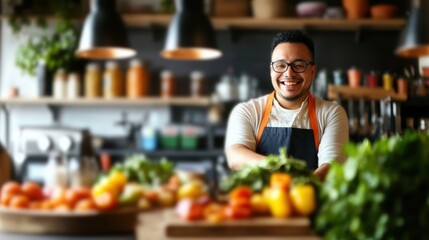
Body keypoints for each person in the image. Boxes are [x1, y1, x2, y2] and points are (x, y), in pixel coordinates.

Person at [224, 30, 349, 180]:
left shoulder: (331, 113)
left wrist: (300, 188)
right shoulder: (248, 111)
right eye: (281, 65)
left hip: (309, 200)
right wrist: (283, 167)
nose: (289, 73)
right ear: (271, 70)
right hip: (259, 201)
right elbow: (235, 156)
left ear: (313, 71)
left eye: (299, 65)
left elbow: (332, 164)